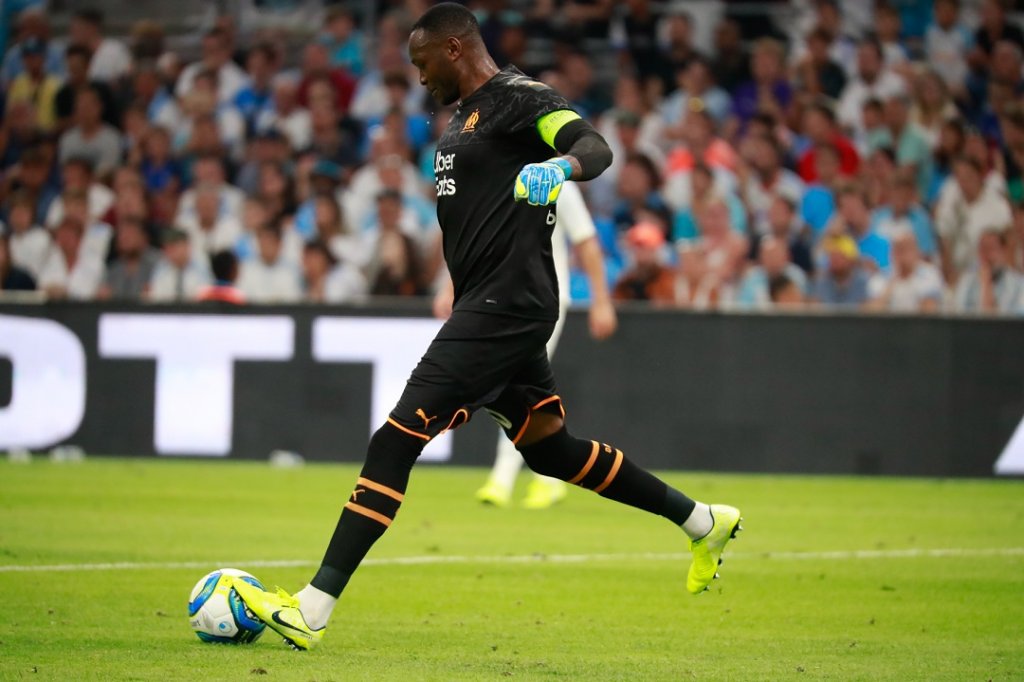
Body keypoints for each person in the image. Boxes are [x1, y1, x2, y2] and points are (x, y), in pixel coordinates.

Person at [231, 4, 742, 651]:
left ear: (453, 48)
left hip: (507, 306)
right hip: (493, 303)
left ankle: (312, 608)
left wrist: (561, 168)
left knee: (395, 439)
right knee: (550, 449)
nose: (418, 80)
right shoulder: (461, 121)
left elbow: (594, 146)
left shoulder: (521, 100)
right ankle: (702, 522)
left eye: (421, 64)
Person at [434, 181, 618, 509]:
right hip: (501, 300)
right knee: (521, 389)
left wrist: (601, 301)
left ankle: (503, 478)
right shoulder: (499, 176)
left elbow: (586, 243)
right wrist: (452, 288)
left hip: (543, 302)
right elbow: (475, 240)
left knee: (509, 383)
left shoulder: (557, 182)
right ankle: (548, 479)